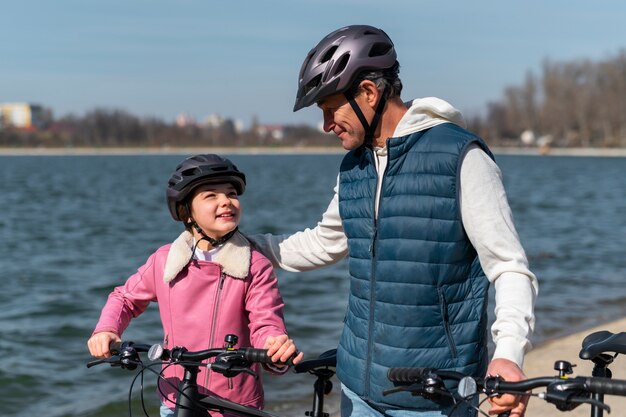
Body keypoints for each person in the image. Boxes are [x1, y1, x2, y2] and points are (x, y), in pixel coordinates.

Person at [248, 25, 538, 417]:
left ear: (369, 92)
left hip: (434, 395)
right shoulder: (354, 166)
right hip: (356, 387)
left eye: (331, 109)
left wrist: (508, 354)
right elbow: (324, 243)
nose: (327, 125)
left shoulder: (460, 158)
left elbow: (509, 268)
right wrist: (243, 245)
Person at [87, 154, 303, 417]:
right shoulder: (165, 260)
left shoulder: (254, 265)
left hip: (234, 403)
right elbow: (125, 297)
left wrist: (273, 346)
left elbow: (265, 320)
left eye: (232, 193)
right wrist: (107, 329)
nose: (226, 201)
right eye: (211, 195)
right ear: (186, 210)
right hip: (177, 395)